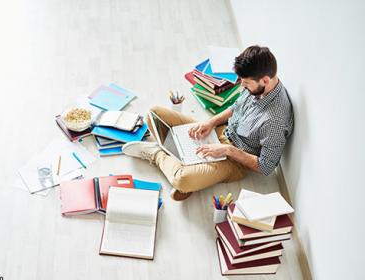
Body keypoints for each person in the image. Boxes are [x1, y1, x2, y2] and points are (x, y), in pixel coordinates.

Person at [122, 45, 294, 201]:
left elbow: (266, 166)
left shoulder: (275, 120)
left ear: (265, 80)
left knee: (182, 180)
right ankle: (184, 160)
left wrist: (227, 150)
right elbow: (235, 107)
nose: (242, 86)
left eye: (246, 83)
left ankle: (157, 154)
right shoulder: (257, 87)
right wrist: (210, 123)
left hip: (234, 160)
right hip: (219, 132)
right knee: (154, 113)